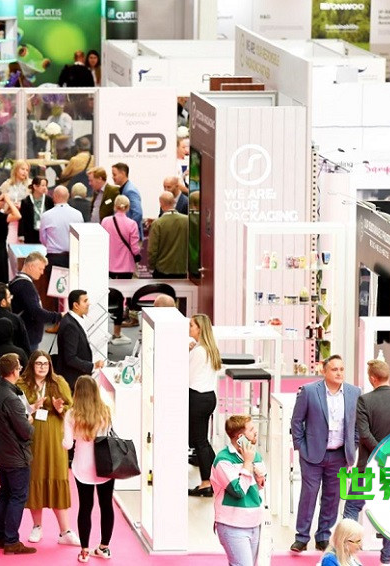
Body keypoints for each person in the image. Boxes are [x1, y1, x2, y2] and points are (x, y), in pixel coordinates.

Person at [343, 359, 390, 565]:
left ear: (372, 378)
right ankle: (385, 560)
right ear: (387, 376)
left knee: (352, 509)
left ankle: (346, 555)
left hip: (367, 466)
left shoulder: (364, 401)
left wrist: (380, 453)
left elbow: (364, 433)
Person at [290, 354, 360, 553]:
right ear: (324, 371)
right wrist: (300, 446)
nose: (339, 373)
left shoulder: (354, 392)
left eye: (341, 369)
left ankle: (323, 536)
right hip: (312, 454)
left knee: (332, 497)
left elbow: (357, 423)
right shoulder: (310, 391)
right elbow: (297, 421)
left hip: (339, 454)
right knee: (309, 495)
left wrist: (353, 445)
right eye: (334, 369)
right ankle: (301, 537)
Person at [19, 351, 79, 546]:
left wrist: (61, 408)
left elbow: (71, 408)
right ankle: (37, 526)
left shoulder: (58, 382)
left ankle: (65, 531)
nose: (42, 367)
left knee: (57, 477)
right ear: (32, 365)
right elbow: (14, 410)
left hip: (55, 438)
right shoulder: (22, 384)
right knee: (35, 478)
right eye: (39, 363)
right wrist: (31, 408)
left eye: (45, 363)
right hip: (32, 437)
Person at [0, 353, 37, 555]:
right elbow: (26, 431)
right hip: (16, 455)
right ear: (15, 371)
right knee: (17, 497)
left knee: (5, 494)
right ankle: (11, 540)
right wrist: (29, 420)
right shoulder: (11, 398)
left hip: (1, 452)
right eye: (19, 366)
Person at [63, 375, 114, 562]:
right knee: (106, 505)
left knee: (85, 507)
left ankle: (84, 551)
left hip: (82, 466)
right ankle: (104, 548)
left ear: (77, 392)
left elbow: (68, 444)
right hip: (105, 465)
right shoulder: (105, 411)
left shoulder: (71, 414)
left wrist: (63, 439)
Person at [210, 415, 267, 566]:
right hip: (232, 525)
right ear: (240, 437)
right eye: (251, 429)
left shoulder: (255, 455)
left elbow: (258, 486)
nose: (256, 431)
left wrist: (260, 476)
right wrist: (247, 463)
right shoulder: (223, 460)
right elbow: (238, 490)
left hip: (254, 522)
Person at [188, 313, 222, 496]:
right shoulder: (209, 349)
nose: (189, 328)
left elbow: (187, 375)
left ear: (199, 329)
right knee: (202, 440)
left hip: (197, 398)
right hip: (209, 397)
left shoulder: (198, 352)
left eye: (191, 325)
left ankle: (206, 482)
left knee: (199, 441)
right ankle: (217, 474)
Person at [9, 252, 62, 351]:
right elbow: (36, 312)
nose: (42, 272)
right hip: (27, 338)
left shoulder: (17, 282)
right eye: (40, 269)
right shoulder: (25, 286)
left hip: (24, 336)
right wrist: (58, 316)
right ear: (31, 266)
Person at [55, 289, 105, 391]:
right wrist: (93, 366)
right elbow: (70, 358)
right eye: (85, 301)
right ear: (76, 305)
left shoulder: (72, 320)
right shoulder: (70, 326)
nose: (88, 304)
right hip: (73, 380)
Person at [40, 186, 84, 270]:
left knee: (53, 279)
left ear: (54, 196)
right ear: (68, 196)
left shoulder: (46, 216)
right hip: (73, 257)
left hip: (54, 257)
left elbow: (43, 238)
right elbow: (80, 236)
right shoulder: (78, 214)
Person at [148, 191, 188, 278]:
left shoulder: (157, 223)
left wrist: (151, 266)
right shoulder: (187, 220)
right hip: (181, 269)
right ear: (174, 202)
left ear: (160, 203)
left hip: (162, 269)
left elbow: (152, 250)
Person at [102, 195, 140, 279]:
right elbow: (134, 248)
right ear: (128, 207)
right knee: (125, 287)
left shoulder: (105, 221)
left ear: (115, 206)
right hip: (126, 266)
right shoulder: (132, 224)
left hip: (109, 265)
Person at [111, 163, 144, 239]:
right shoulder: (124, 189)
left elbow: (138, 213)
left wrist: (128, 230)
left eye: (114, 174)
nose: (113, 177)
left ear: (123, 174)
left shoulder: (130, 191)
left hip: (131, 237)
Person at [19, 176, 54, 244]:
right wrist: (21, 235)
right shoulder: (26, 201)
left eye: (46, 186)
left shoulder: (49, 200)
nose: (45, 188)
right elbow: (22, 219)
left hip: (45, 233)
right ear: (35, 186)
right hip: (30, 233)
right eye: (42, 185)